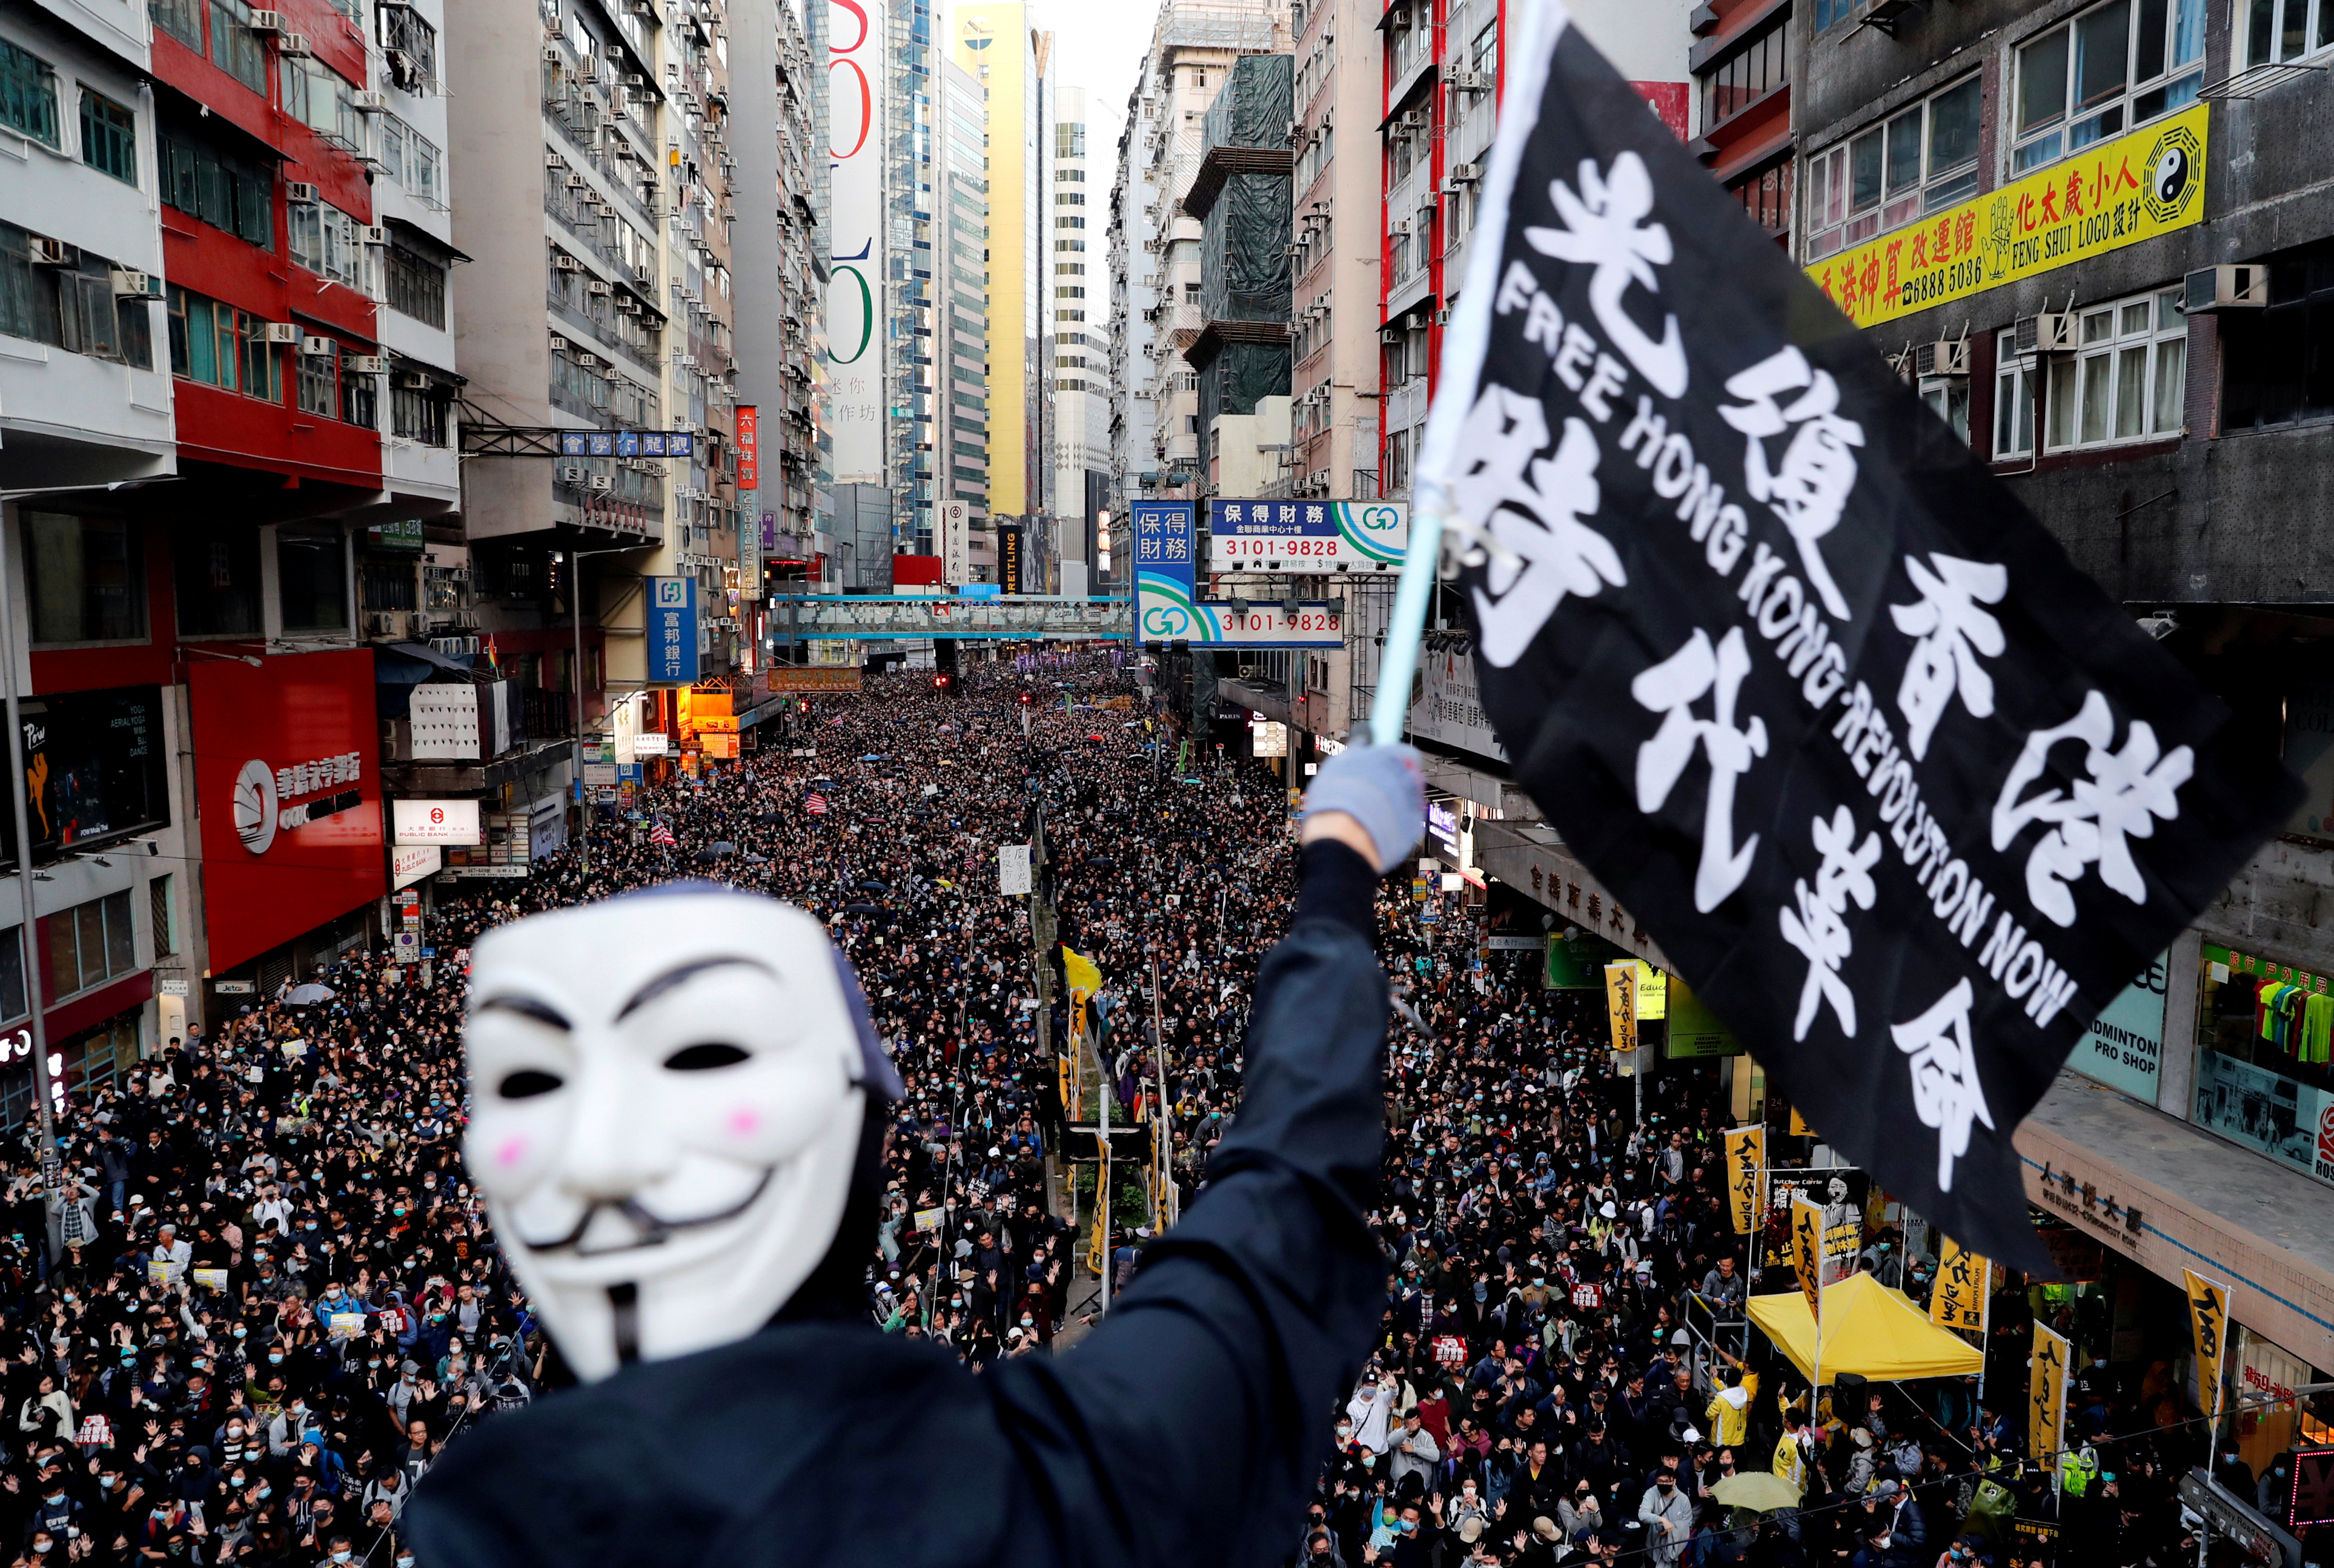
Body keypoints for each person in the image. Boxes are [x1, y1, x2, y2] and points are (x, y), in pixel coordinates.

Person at [403, 743, 1428, 1567]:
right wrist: (1333, 864)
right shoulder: (1052, 1492)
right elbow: (1280, 1195)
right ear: (871, 1144)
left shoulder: (463, 1524)